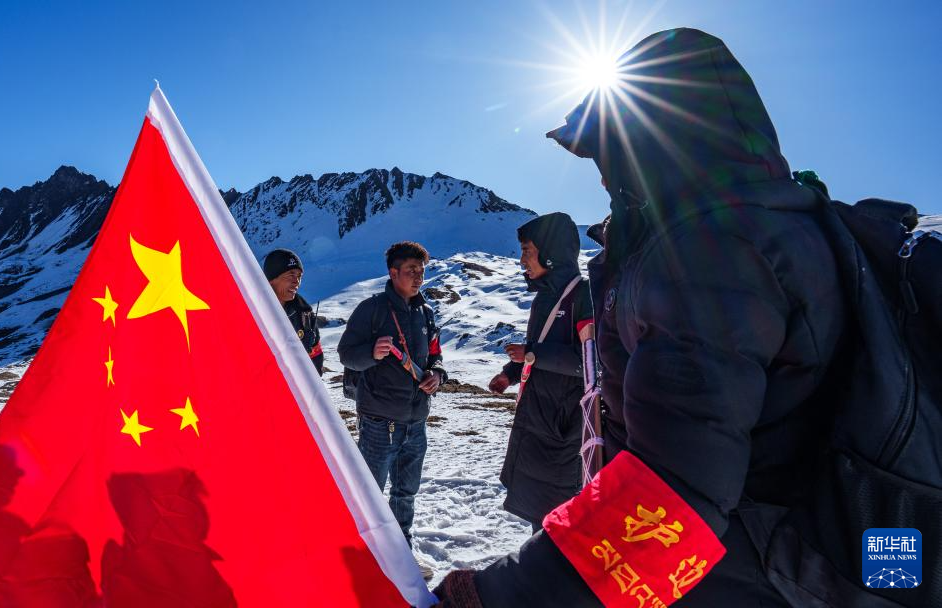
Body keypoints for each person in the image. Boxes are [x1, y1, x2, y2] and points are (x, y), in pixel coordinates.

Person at [435, 28, 851, 607]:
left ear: (650, 148)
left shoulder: (711, 257)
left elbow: (672, 494)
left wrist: (495, 597)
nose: (606, 178)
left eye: (610, 155)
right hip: (799, 558)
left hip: (746, 575)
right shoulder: (783, 225)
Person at [337, 241, 447, 555]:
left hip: (416, 422)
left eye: (421, 271)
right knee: (368, 495)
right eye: (411, 270)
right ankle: (364, 556)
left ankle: (401, 554)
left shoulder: (426, 313)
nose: (418, 277)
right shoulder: (371, 310)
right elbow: (346, 354)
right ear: (393, 272)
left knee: (406, 493)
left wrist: (437, 375)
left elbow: (436, 356)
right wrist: (371, 353)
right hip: (378, 422)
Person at [488, 212, 592, 532]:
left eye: (527, 251)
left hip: (565, 426)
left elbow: (590, 362)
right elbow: (539, 348)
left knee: (559, 514)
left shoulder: (583, 295)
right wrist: (510, 372)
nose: (522, 260)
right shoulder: (545, 299)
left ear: (550, 252)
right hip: (539, 420)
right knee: (541, 514)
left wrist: (533, 353)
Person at [263, 248, 323, 375]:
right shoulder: (251, 312)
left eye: (299, 276)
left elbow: (315, 357)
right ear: (272, 279)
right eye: (291, 275)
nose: (297, 282)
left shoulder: (305, 315)